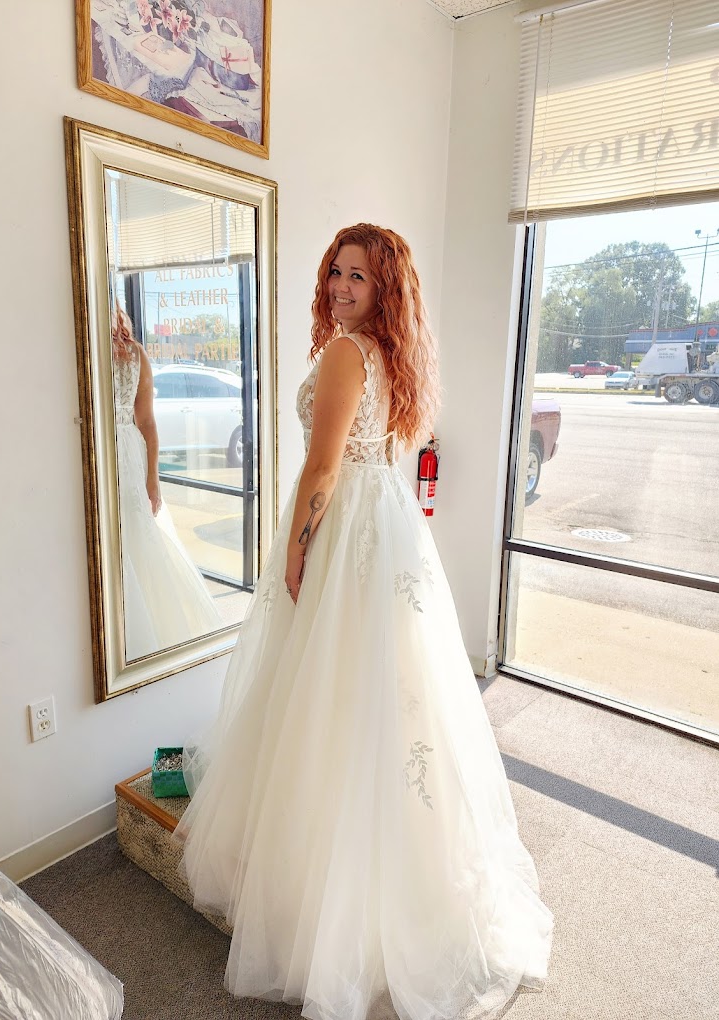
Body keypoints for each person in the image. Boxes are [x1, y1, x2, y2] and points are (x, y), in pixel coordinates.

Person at [174, 226, 553, 1020]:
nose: (341, 286)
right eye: (335, 272)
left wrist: (295, 548)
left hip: (347, 525)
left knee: (332, 692)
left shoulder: (348, 353)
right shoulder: (389, 351)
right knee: (386, 696)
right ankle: (386, 879)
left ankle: (330, 901)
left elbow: (320, 466)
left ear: (384, 287)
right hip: (387, 523)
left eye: (358, 276)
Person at [111, 305, 222, 660]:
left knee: (136, 535)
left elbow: (147, 422)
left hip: (126, 454)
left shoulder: (134, 354)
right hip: (95, 453)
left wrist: (153, 479)